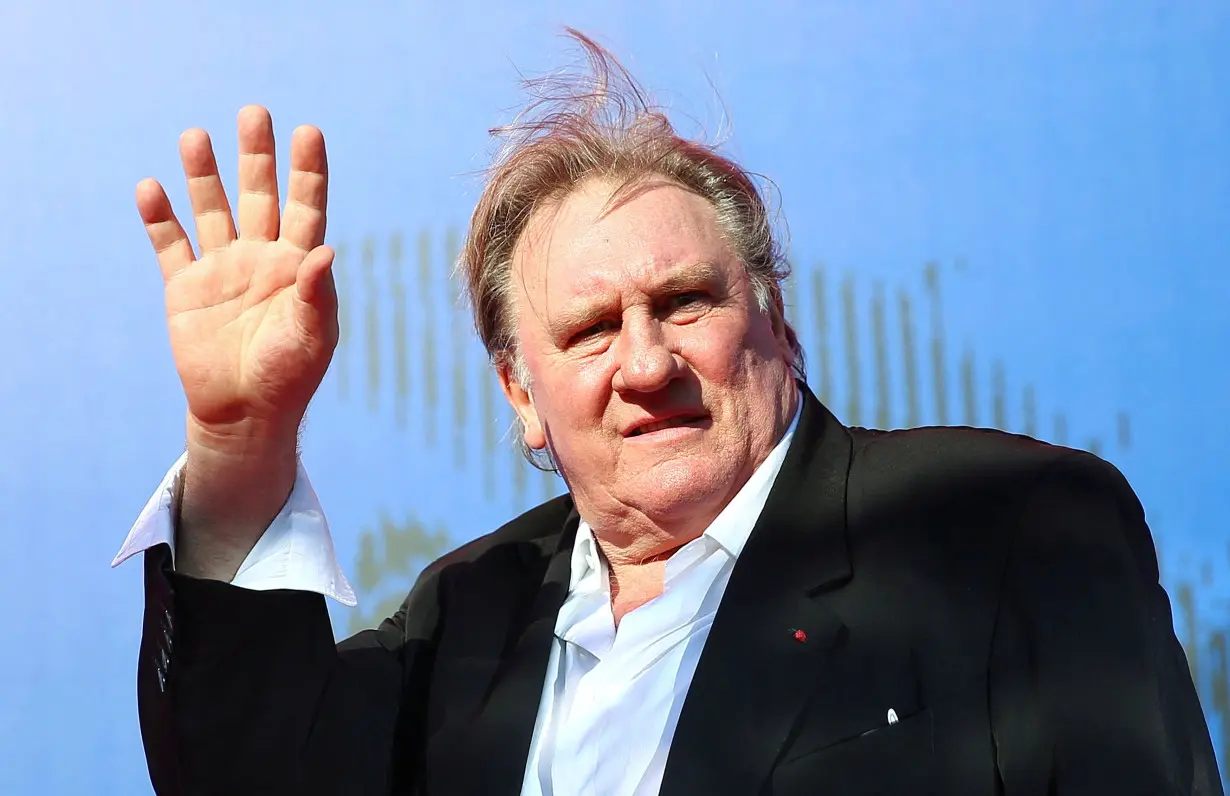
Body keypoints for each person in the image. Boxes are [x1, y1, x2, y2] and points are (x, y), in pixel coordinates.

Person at [114, 32, 1220, 796]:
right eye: (590, 328)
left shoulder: (1002, 526)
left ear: (776, 321)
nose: (646, 363)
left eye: (686, 302)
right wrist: (240, 439)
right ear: (520, 394)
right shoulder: (467, 616)